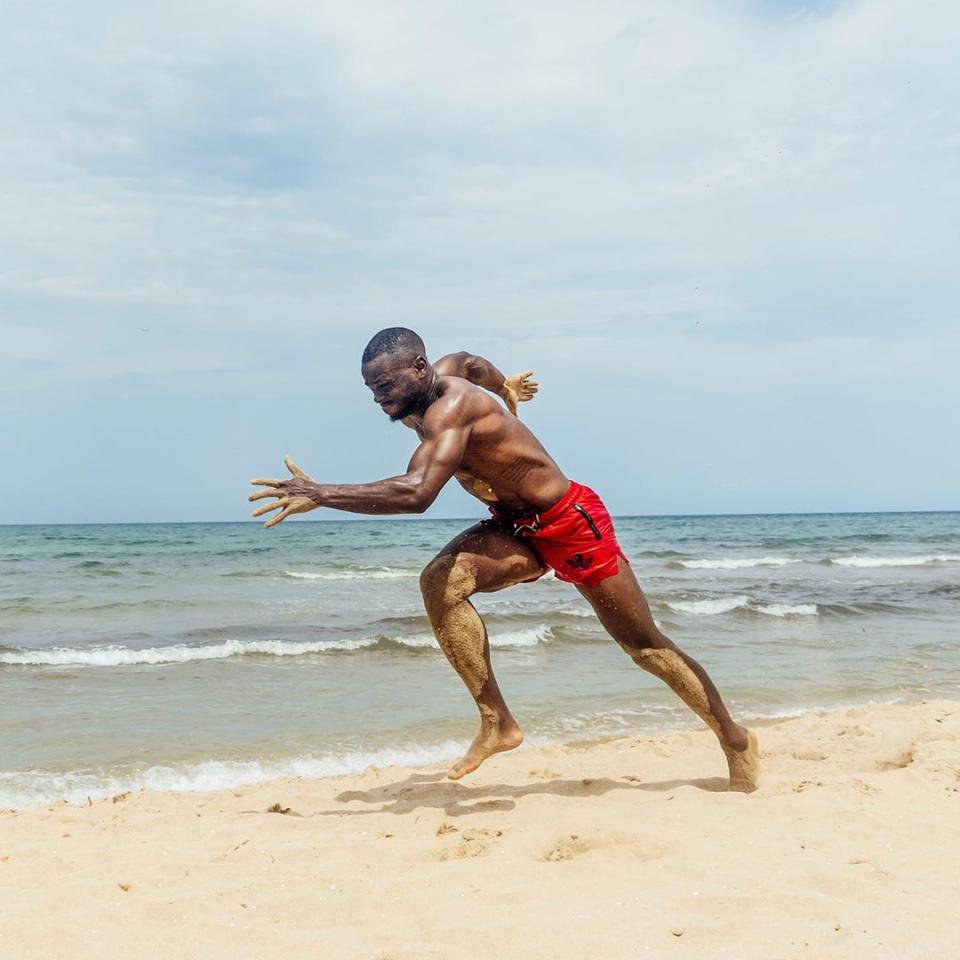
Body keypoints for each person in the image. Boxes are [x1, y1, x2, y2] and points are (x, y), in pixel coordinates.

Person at [249, 328, 759, 792]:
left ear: (419, 368)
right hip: (513, 526)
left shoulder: (448, 411)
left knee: (644, 647)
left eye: (386, 386)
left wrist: (321, 493)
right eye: (371, 389)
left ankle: (734, 740)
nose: (379, 398)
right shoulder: (440, 373)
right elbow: (472, 361)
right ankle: (498, 722)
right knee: (439, 584)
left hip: (567, 521)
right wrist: (506, 385)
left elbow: (417, 493)